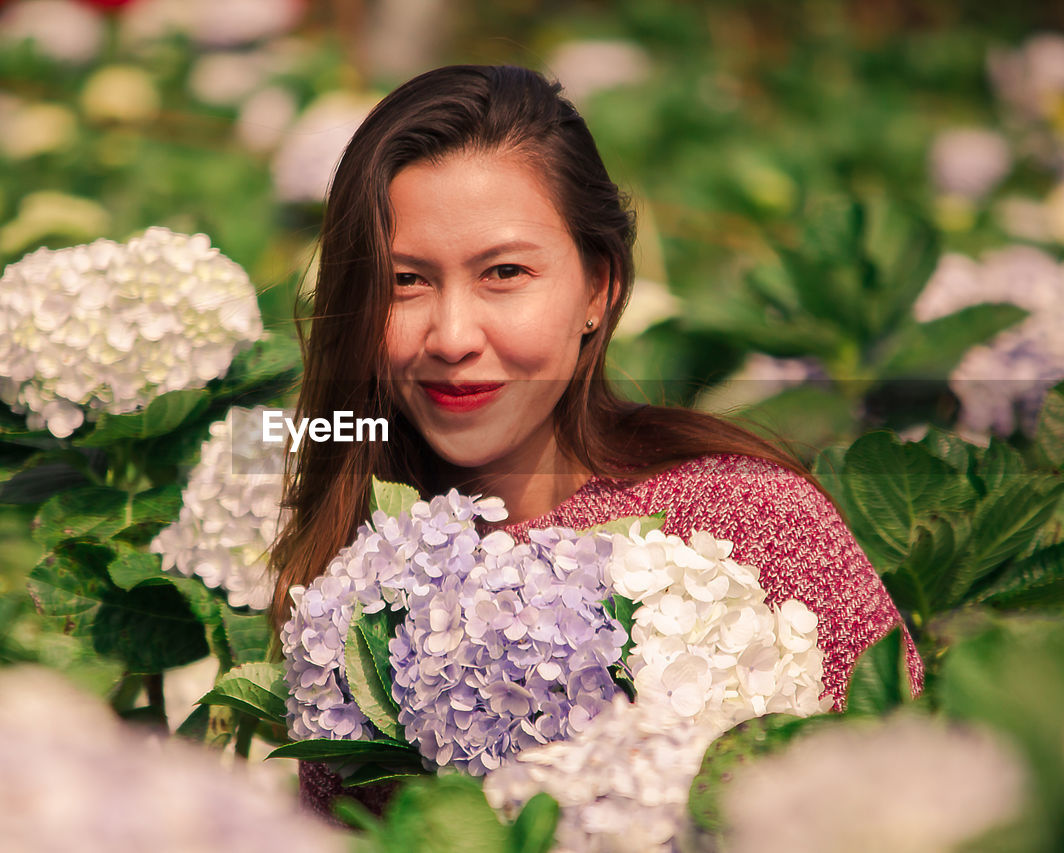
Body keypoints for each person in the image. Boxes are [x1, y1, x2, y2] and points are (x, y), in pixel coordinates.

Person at [267, 64, 923, 816]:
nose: (450, 336)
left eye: (504, 272)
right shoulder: (349, 591)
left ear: (598, 289)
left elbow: (923, 795)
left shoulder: (750, 518)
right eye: (405, 281)